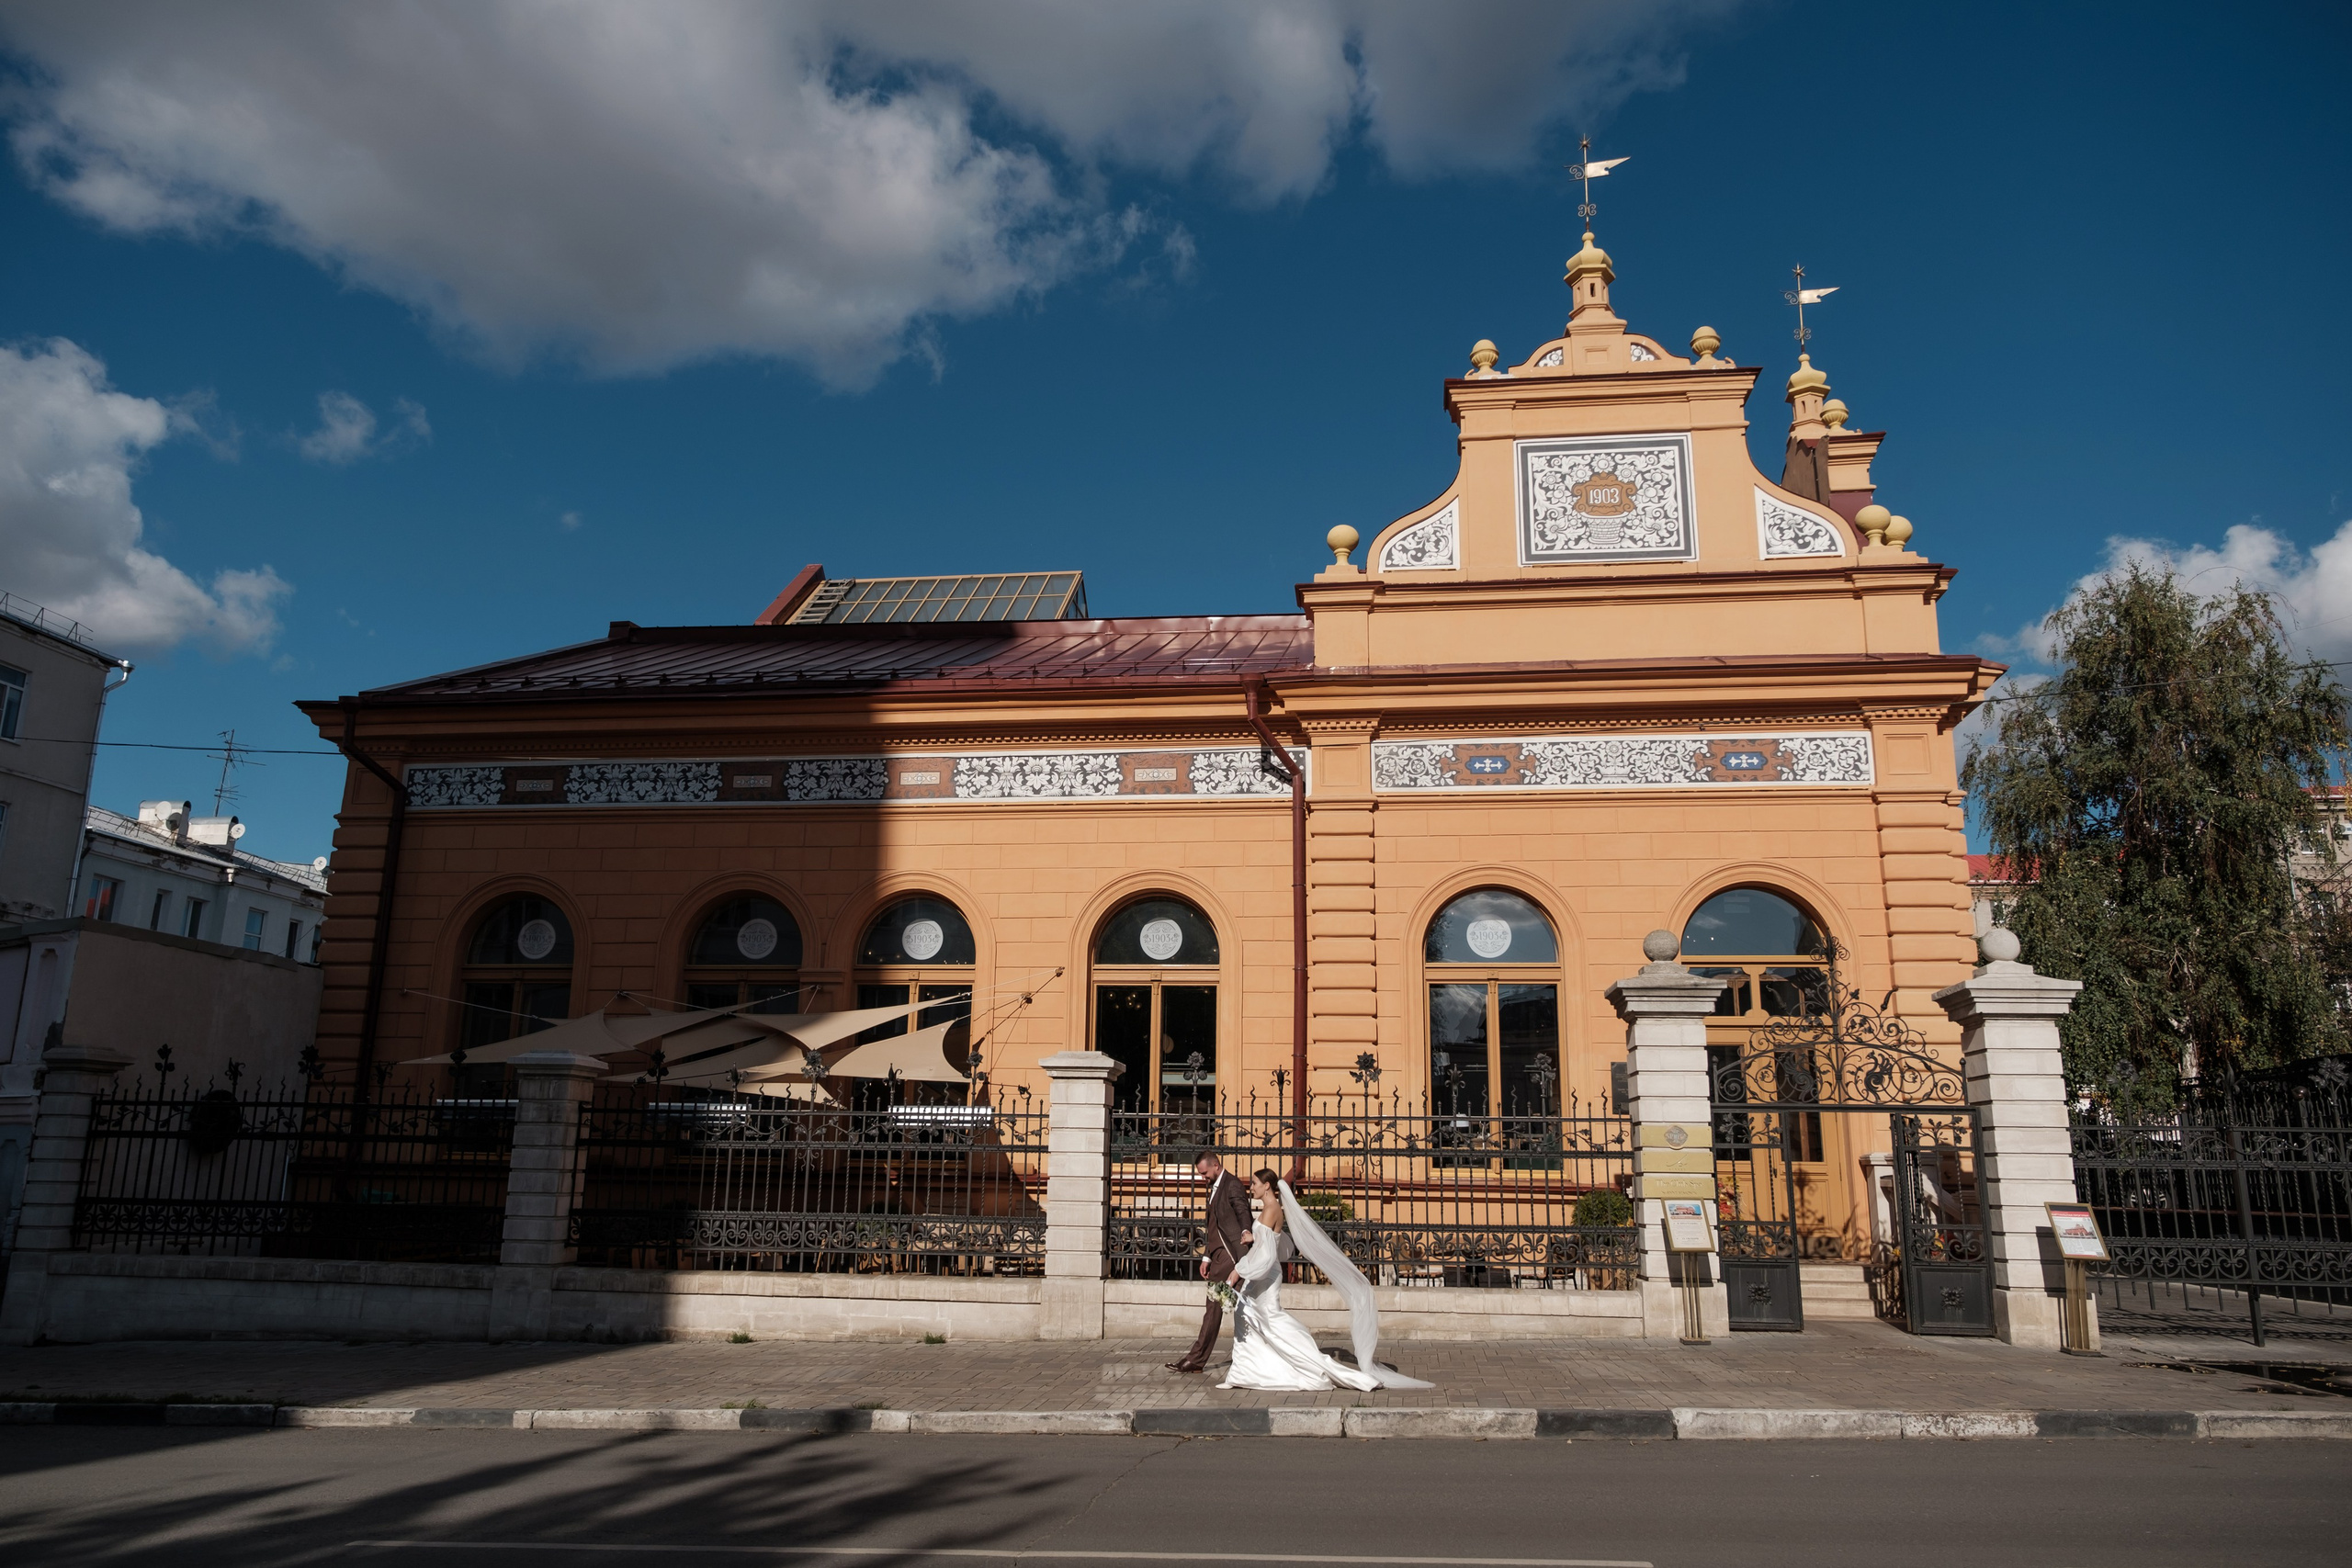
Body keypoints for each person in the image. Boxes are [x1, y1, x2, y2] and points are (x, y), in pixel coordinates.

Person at [1217, 1168, 1433, 1393]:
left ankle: (1313, 1366)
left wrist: (1239, 1270)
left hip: (1266, 1276)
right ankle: (1245, 1372)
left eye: (1254, 1183)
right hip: (1260, 1274)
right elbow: (1270, 1241)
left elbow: (1266, 1254)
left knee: (1271, 1321)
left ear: (1267, 1186)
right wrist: (1254, 1237)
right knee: (1245, 1316)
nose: (1251, 1187)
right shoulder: (1268, 1209)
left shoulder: (1272, 1209)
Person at [1166, 1152, 1256, 1374]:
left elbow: (1243, 1211)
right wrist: (1206, 1256)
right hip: (1217, 1255)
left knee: (1214, 1307)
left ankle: (1196, 1359)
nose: (1202, 1177)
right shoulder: (1216, 1185)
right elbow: (1215, 1226)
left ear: (1216, 1165)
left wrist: (1246, 1231)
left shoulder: (1232, 1184)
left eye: (1204, 1173)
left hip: (1230, 1255)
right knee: (1240, 1308)